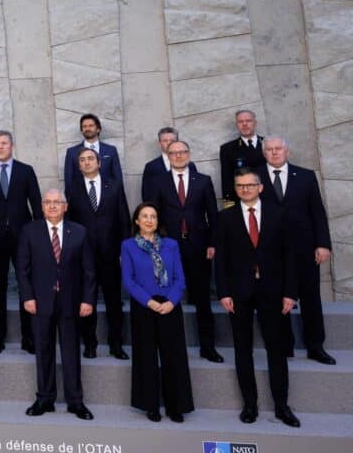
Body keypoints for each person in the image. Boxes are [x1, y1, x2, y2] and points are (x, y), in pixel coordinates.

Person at [215, 168, 300, 428]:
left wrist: (290, 293)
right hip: (239, 293)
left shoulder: (280, 215)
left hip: (273, 291)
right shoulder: (225, 217)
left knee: (276, 350)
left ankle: (282, 406)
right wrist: (224, 292)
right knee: (243, 350)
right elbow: (221, 260)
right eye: (240, 186)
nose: (245, 189)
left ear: (261, 187)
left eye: (250, 185)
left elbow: (290, 257)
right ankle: (250, 406)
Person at [17, 189, 95, 421]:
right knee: (43, 350)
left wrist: (88, 299)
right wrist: (27, 297)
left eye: (57, 202)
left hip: (71, 303)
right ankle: (44, 398)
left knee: (71, 352)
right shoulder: (30, 231)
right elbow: (23, 269)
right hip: (40, 302)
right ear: (41, 207)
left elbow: (89, 271)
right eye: (48, 202)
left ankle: (75, 401)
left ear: (65, 206)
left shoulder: (79, 232)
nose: (52, 206)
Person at [258, 136, 335, 365]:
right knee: (276, 299)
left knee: (310, 298)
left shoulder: (305, 176)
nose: (274, 153)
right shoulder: (254, 177)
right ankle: (284, 345)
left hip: (304, 249)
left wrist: (322, 244)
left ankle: (315, 346)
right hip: (271, 251)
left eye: (278, 149)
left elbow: (317, 213)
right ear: (264, 154)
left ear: (287, 152)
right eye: (270, 149)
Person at [121, 203, 193, 423]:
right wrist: (149, 302)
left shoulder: (170, 245)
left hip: (170, 306)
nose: (149, 220)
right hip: (144, 306)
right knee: (146, 357)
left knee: (174, 356)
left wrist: (172, 301)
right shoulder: (128, 246)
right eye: (144, 216)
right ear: (137, 221)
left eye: (153, 216)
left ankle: (175, 406)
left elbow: (180, 277)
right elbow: (129, 280)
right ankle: (150, 405)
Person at [0, 129, 43, 354]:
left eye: (4, 143)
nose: (1, 147)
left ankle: (28, 338)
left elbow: (36, 203)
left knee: (26, 287)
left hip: (23, 237)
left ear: (12, 145)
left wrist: (39, 235)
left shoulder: (25, 170)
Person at [153, 140, 223, 363]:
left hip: (198, 246)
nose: (179, 156)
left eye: (183, 152)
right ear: (168, 155)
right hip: (168, 247)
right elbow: (152, 216)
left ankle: (207, 346)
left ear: (189, 154)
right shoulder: (159, 181)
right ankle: (169, 347)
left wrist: (213, 243)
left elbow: (213, 215)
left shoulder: (203, 181)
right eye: (174, 153)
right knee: (166, 296)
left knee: (202, 298)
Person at [65, 147, 131, 359]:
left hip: (111, 253)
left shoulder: (114, 185)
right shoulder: (73, 189)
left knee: (114, 301)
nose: (86, 162)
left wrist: (125, 249)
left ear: (99, 163)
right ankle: (90, 343)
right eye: (82, 160)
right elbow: (70, 224)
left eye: (90, 159)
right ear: (78, 165)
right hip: (83, 256)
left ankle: (116, 344)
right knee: (86, 300)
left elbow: (123, 218)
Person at [63, 113, 122, 188]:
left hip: (108, 198)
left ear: (98, 129)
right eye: (84, 126)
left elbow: (118, 179)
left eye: (91, 126)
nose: (87, 129)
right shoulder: (71, 153)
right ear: (81, 130)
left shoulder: (111, 151)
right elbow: (69, 181)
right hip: (81, 198)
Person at [219, 110, 264, 203]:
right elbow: (227, 181)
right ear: (237, 125)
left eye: (248, 121)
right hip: (243, 201)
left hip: (269, 199)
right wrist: (229, 206)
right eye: (240, 122)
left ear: (255, 123)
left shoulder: (268, 143)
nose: (244, 124)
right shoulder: (227, 149)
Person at [141, 127, 195, 203]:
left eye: (172, 140)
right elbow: (147, 195)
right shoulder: (151, 167)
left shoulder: (190, 165)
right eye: (165, 141)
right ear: (159, 143)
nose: (169, 143)